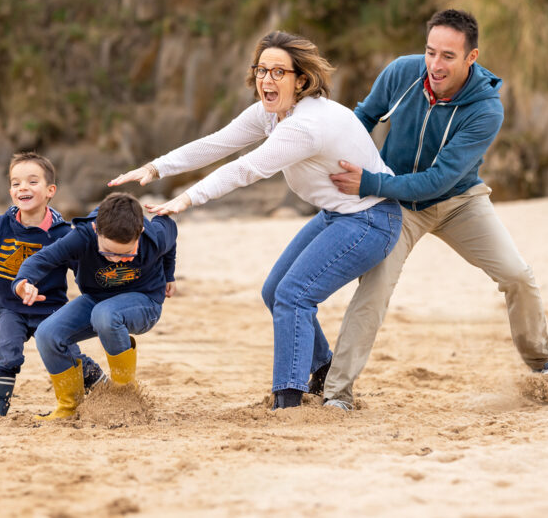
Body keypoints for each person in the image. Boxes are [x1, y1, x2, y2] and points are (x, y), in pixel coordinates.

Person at [109, 31, 402, 409]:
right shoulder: (273, 113)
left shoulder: (305, 125)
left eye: (279, 72)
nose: (267, 79)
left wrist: (187, 198)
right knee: (274, 291)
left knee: (293, 296)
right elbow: (219, 143)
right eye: (262, 70)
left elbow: (248, 168)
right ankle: (325, 371)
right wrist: (156, 167)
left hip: (371, 220)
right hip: (338, 214)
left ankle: (288, 398)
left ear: (301, 79)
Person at [321, 8, 548, 410]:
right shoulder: (401, 73)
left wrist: (370, 182)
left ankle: (542, 363)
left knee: (518, 275)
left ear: (472, 57)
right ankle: (337, 394)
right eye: (431, 52)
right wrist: (334, 158)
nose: (435, 64)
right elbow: (362, 118)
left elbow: (439, 180)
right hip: (396, 204)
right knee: (374, 290)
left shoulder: (486, 109)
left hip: (458, 201)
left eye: (448, 55)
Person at [0, 151, 104, 416]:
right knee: (7, 354)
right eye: (16, 183)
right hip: (11, 307)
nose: (23, 188)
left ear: (50, 190)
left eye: (32, 181)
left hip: (52, 308)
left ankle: (98, 383)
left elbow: (82, 268)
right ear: (10, 190)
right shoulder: (2, 225)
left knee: (65, 351)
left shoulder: (63, 232)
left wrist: (100, 290)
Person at [13, 192, 177, 420]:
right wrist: (23, 282)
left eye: (127, 254)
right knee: (47, 334)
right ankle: (69, 408)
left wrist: (169, 274)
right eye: (108, 253)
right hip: (97, 299)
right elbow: (42, 259)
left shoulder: (154, 236)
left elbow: (170, 230)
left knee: (106, 314)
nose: (118, 260)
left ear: (140, 233)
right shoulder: (82, 237)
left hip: (144, 302)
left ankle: (125, 397)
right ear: (96, 231)